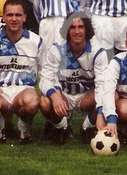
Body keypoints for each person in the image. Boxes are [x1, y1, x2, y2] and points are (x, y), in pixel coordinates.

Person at [0, 0, 42, 144]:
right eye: (10, 15)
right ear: (4, 17)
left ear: (24, 17)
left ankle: (23, 129)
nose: (14, 19)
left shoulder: (35, 41)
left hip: (23, 90)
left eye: (18, 15)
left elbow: (44, 70)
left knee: (31, 102)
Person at [38, 13, 109, 144]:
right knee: (44, 100)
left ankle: (87, 128)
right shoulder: (57, 49)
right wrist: (55, 96)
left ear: (86, 29)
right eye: (72, 27)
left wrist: (99, 114)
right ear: (67, 29)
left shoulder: (98, 51)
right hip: (63, 96)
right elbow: (45, 78)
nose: (76, 31)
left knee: (110, 95)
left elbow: (102, 84)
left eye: (80, 27)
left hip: (86, 97)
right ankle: (62, 128)